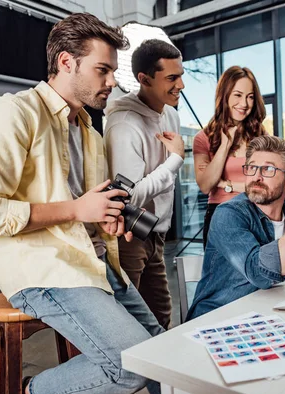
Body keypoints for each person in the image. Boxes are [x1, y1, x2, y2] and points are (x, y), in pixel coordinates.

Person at [0, 13, 162, 394]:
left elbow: (86, 211)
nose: (112, 82)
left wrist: (104, 220)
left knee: (165, 357)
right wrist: (77, 210)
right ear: (66, 62)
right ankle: (31, 393)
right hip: (45, 272)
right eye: (103, 70)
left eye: (113, 71)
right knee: (132, 365)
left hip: (95, 263)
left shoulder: (89, 132)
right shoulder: (11, 115)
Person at [186, 135, 285, 320]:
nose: (257, 176)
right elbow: (259, 273)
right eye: (252, 167)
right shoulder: (227, 214)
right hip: (219, 320)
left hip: (274, 316)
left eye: (268, 169)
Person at [104, 39, 185, 330]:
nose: (181, 85)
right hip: (130, 235)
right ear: (144, 79)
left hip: (157, 234)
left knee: (162, 317)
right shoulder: (125, 123)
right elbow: (128, 196)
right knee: (130, 322)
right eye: (172, 78)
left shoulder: (171, 115)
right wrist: (175, 159)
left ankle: (158, 376)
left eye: (181, 75)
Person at [193, 66, 266, 248]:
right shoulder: (203, 138)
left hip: (258, 213)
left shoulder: (261, 137)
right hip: (220, 213)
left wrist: (227, 185)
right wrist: (225, 145)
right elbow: (205, 185)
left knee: (260, 274)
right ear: (224, 95)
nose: (244, 103)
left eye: (250, 97)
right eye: (238, 95)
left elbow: (266, 186)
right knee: (220, 275)